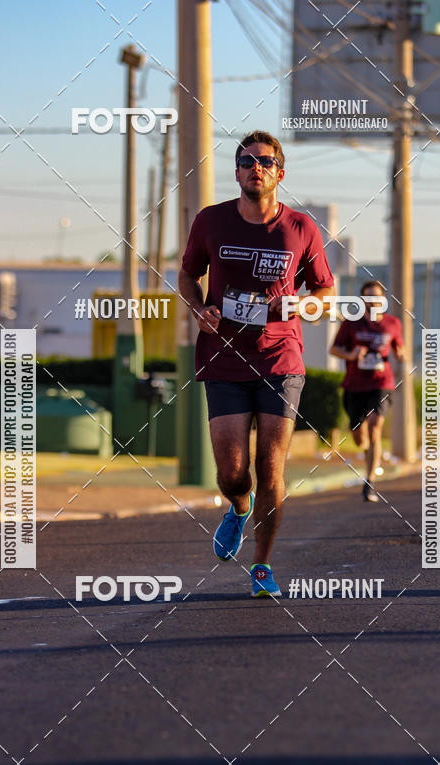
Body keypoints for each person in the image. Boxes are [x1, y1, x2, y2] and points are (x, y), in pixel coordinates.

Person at [179, 131, 335, 597]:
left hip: (280, 359)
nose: (255, 167)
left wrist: (303, 307)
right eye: (246, 161)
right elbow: (188, 274)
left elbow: (325, 292)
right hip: (224, 358)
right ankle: (238, 508)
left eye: (265, 161)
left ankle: (262, 565)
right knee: (233, 473)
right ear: (237, 172)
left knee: (271, 468)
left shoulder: (301, 228)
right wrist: (198, 308)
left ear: (279, 173)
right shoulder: (211, 221)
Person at [330, 280, 405, 502]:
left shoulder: (392, 323)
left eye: (377, 297)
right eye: (368, 297)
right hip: (355, 385)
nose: (373, 301)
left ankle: (369, 482)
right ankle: (367, 451)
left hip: (381, 382)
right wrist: (352, 355)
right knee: (359, 437)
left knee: (375, 428)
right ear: (362, 300)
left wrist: (401, 353)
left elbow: (399, 347)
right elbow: (334, 349)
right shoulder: (352, 323)